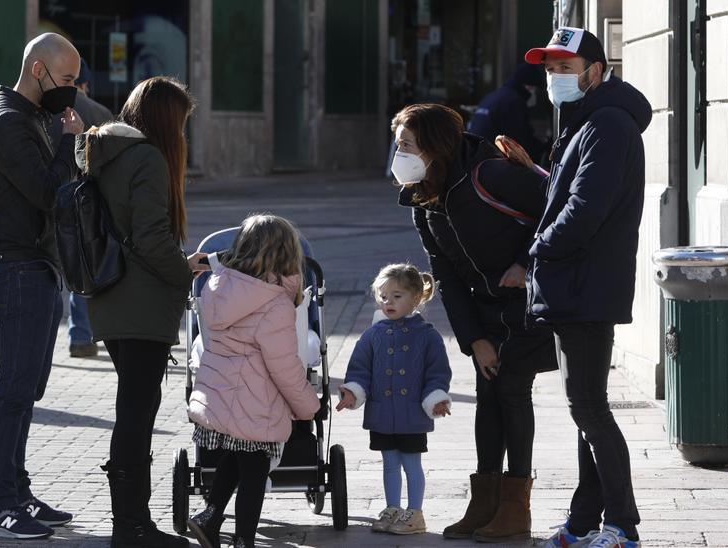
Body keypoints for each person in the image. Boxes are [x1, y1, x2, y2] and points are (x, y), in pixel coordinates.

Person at [388, 103, 558, 543]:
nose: (399, 152)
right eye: (398, 143)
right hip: (484, 310)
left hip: (526, 303)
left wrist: (524, 263)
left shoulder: (490, 174)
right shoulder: (423, 197)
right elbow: (443, 273)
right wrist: (474, 340)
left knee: (512, 393)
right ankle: (484, 502)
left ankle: (516, 507)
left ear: (434, 146)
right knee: (489, 396)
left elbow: (557, 211)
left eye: (407, 144)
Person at [522, 27, 651, 548]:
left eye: (566, 68)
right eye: (550, 69)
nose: (556, 78)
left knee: (590, 409)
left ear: (596, 71)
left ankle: (622, 525)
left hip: (585, 284)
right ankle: (582, 523)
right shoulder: (585, 122)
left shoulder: (607, 125)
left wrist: (534, 250)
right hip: (574, 283)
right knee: (584, 409)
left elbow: (584, 211)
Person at [0, 33, 85, 540]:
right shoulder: (7, 122)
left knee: (26, 390)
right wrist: (67, 142)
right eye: (66, 80)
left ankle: (18, 492)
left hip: (35, 268)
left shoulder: (27, 116)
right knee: (12, 390)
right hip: (17, 269)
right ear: (38, 71)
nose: (73, 91)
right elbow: (47, 193)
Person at [77, 76, 200, 547]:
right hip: (141, 301)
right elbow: (149, 236)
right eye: (183, 124)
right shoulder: (146, 157)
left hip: (112, 297)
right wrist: (184, 272)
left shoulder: (105, 151)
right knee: (136, 414)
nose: (184, 136)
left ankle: (130, 522)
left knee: (133, 409)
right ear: (167, 122)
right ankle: (131, 526)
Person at [186, 214, 321, 548]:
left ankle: (210, 517)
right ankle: (244, 538)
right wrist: (308, 405)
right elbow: (284, 367)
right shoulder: (273, 303)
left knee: (236, 456)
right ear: (287, 256)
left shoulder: (219, 286)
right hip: (255, 400)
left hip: (222, 394)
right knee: (255, 471)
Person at [337, 263, 452, 536]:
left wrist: (436, 398)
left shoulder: (427, 336)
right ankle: (393, 508)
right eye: (384, 296)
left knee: (412, 464)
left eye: (397, 296)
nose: (388, 302)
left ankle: (415, 513)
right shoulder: (372, 334)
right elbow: (359, 369)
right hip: (382, 415)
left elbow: (438, 373)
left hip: (412, 414)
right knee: (389, 463)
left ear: (415, 297)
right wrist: (353, 391)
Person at [50, 58, 115, 359]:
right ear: (84, 83)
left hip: (49, 197)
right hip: (84, 202)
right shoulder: (100, 113)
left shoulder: (44, 109)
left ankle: (46, 342)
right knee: (84, 265)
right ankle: (81, 335)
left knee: (48, 268)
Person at [466, 63, 547, 162]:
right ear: (528, 87)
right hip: (492, 159)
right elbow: (521, 139)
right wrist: (544, 148)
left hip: (475, 156)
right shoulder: (514, 101)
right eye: (534, 90)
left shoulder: (493, 96)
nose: (534, 94)